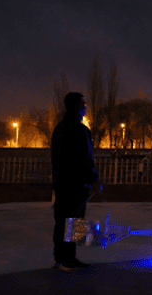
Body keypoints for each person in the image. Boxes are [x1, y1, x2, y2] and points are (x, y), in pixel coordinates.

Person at [50, 92, 100, 271]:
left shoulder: (60, 128)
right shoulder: (79, 130)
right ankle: (68, 258)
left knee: (62, 222)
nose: (85, 107)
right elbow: (85, 159)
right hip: (76, 185)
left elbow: (57, 158)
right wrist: (93, 178)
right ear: (76, 107)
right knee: (73, 223)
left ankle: (60, 258)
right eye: (83, 104)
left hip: (62, 184)